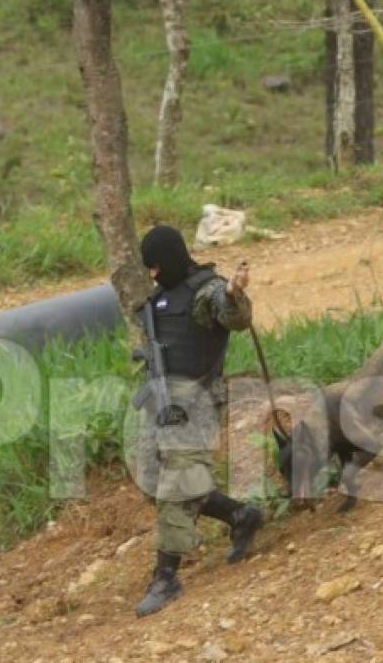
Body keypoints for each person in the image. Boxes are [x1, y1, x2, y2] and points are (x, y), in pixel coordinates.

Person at [132, 224, 264, 617]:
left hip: (196, 402)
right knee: (151, 479)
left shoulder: (206, 290)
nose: (153, 274)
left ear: (171, 259)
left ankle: (166, 576)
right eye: (148, 269)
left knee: (178, 484)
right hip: (159, 402)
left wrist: (235, 293)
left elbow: (233, 316)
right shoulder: (160, 298)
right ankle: (240, 515)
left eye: (156, 266)